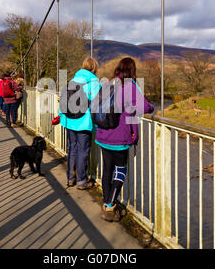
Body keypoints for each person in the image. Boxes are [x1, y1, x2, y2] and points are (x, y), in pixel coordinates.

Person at [95, 57, 154, 222]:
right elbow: (145, 107)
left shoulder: (108, 84)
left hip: (103, 135)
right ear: (132, 71)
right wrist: (152, 107)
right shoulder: (130, 87)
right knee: (120, 171)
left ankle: (107, 204)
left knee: (107, 170)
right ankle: (109, 206)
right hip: (120, 138)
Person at [59, 58, 101, 190]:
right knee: (83, 151)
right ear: (94, 68)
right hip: (84, 121)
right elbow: (98, 102)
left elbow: (64, 99)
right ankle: (82, 180)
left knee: (72, 148)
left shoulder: (73, 79)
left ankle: (70, 178)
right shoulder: (94, 81)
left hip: (70, 120)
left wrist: (61, 116)